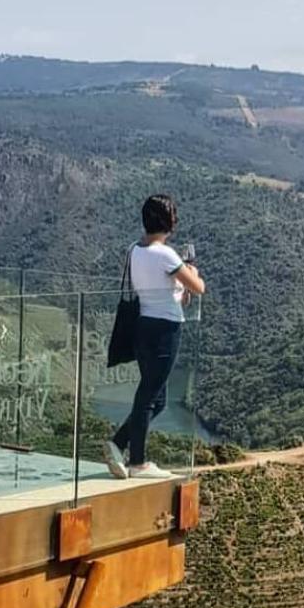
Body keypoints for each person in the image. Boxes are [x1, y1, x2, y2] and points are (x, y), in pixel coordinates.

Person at [104, 194, 205, 480]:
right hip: (164, 330)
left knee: (156, 399)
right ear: (170, 222)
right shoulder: (167, 255)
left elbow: (171, 293)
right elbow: (198, 288)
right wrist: (193, 271)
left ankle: (118, 443)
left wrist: (179, 288)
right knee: (149, 396)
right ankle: (137, 462)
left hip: (141, 326)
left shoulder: (134, 250)